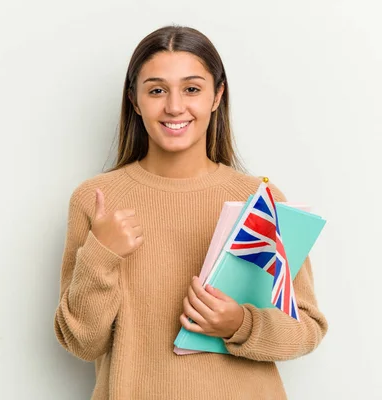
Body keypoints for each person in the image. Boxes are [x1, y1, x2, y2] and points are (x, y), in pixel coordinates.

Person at [53, 25, 328, 400]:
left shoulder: (261, 200)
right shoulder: (96, 200)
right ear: (134, 100)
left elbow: (307, 329)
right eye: (156, 90)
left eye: (192, 89)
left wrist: (240, 324)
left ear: (217, 96)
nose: (174, 106)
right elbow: (82, 342)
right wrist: (102, 254)